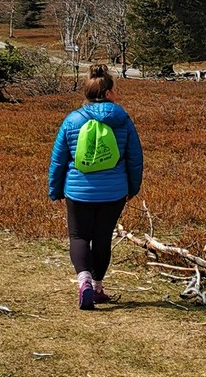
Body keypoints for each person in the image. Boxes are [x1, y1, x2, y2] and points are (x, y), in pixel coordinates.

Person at [48, 64, 144, 310]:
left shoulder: (72, 120)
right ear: (109, 92)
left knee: (79, 236)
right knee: (102, 238)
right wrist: (133, 187)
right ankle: (98, 287)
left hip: (77, 191)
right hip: (114, 192)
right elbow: (134, 157)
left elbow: (59, 159)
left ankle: (84, 283)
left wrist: (55, 189)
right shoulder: (123, 120)